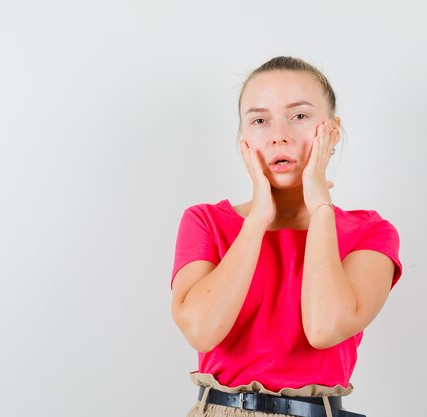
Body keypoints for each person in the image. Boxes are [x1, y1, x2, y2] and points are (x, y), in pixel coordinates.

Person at [170, 56, 403, 417]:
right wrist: (259, 217)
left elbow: (325, 328)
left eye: (299, 116)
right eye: (260, 120)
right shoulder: (206, 221)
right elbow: (202, 330)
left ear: (332, 131)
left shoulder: (369, 232)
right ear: (244, 139)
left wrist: (320, 207)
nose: (279, 135)